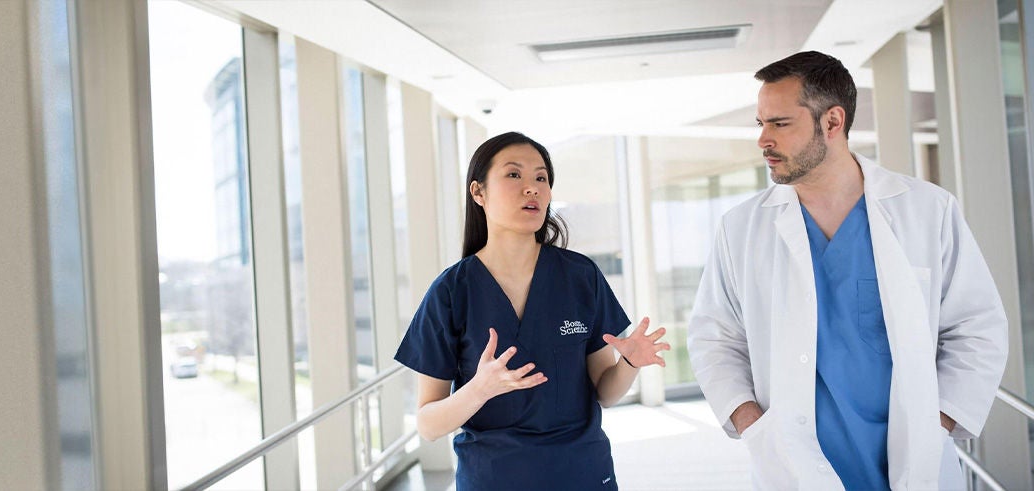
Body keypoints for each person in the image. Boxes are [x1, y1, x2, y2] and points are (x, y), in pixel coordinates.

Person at [687, 51, 1008, 490]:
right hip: (793, 466)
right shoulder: (742, 227)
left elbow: (977, 327)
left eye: (779, 124)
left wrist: (936, 425)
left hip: (912, 463)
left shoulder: (925, 210)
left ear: (832, 122)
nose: (763, 139)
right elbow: (714, 338)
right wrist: (752, 425)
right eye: (760, 124)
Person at [394, 131, 669, 490]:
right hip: (494, 480)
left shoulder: (580, 276)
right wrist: (480, 389)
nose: (532, 188)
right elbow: (428, 424)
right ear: (478, 192)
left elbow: (606, 394)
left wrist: (629, 364)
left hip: (582, 474)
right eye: (514, 175)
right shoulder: (451, 292)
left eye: (541, 178)